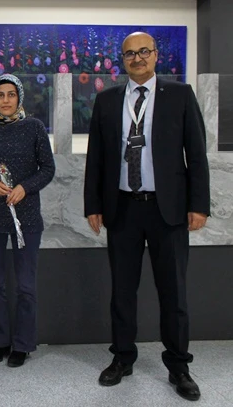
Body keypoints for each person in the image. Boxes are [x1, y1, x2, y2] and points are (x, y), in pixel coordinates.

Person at [84, 32, 209, 401]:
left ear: (156, 55)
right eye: (129, 54)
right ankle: (122, 357)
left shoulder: (180, 95)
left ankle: (179, 366)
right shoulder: (107, 100)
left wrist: (199, 204)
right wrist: (93, 204)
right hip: (122, 208)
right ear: (122, 60)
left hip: (167, 210)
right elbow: (97, 158)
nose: (137, 58)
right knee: (122, 291)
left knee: (174, 292)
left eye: (143, 52)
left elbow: (196, 153)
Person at [0, 74, 55, 368]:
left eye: (11, 94)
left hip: (26, 217)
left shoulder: (34, 127)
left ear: (19, 97)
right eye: (0, 95)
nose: (5, 100)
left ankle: (23, 344)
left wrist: (25, 188)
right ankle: (0, 341)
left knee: (26, 285)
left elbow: (47, 169)